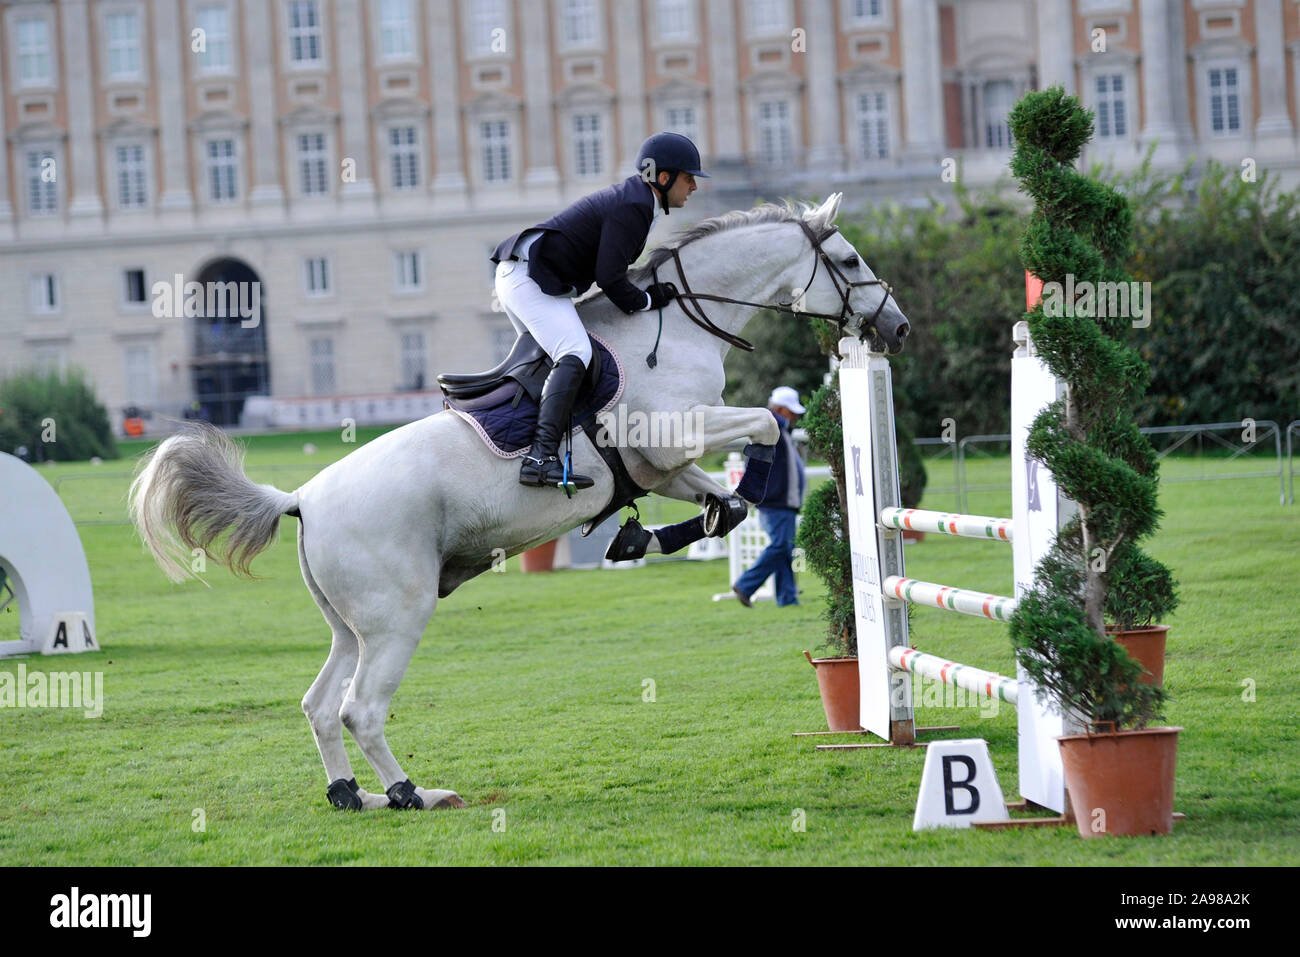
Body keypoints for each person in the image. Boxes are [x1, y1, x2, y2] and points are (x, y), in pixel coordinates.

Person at [490, 132, 707, 492]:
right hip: (530, 277)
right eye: (689, 177)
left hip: (530, 275)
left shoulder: (639, 202)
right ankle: (538, 459)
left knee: (553, 362)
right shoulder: (635, 206)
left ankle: (528, 446)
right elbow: (610, 277)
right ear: (664, 178)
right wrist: (649, 301)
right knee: (574, 353)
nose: (694, 186)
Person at [732, 386, 807, 608]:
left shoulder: (779, 430)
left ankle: (787, 598)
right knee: (780, 546)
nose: (795, 416)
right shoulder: (771, 428)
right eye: (792, 411)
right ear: (782, 409)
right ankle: (745, 585)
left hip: (780, 501)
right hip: (776, 501)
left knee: (784, 549)